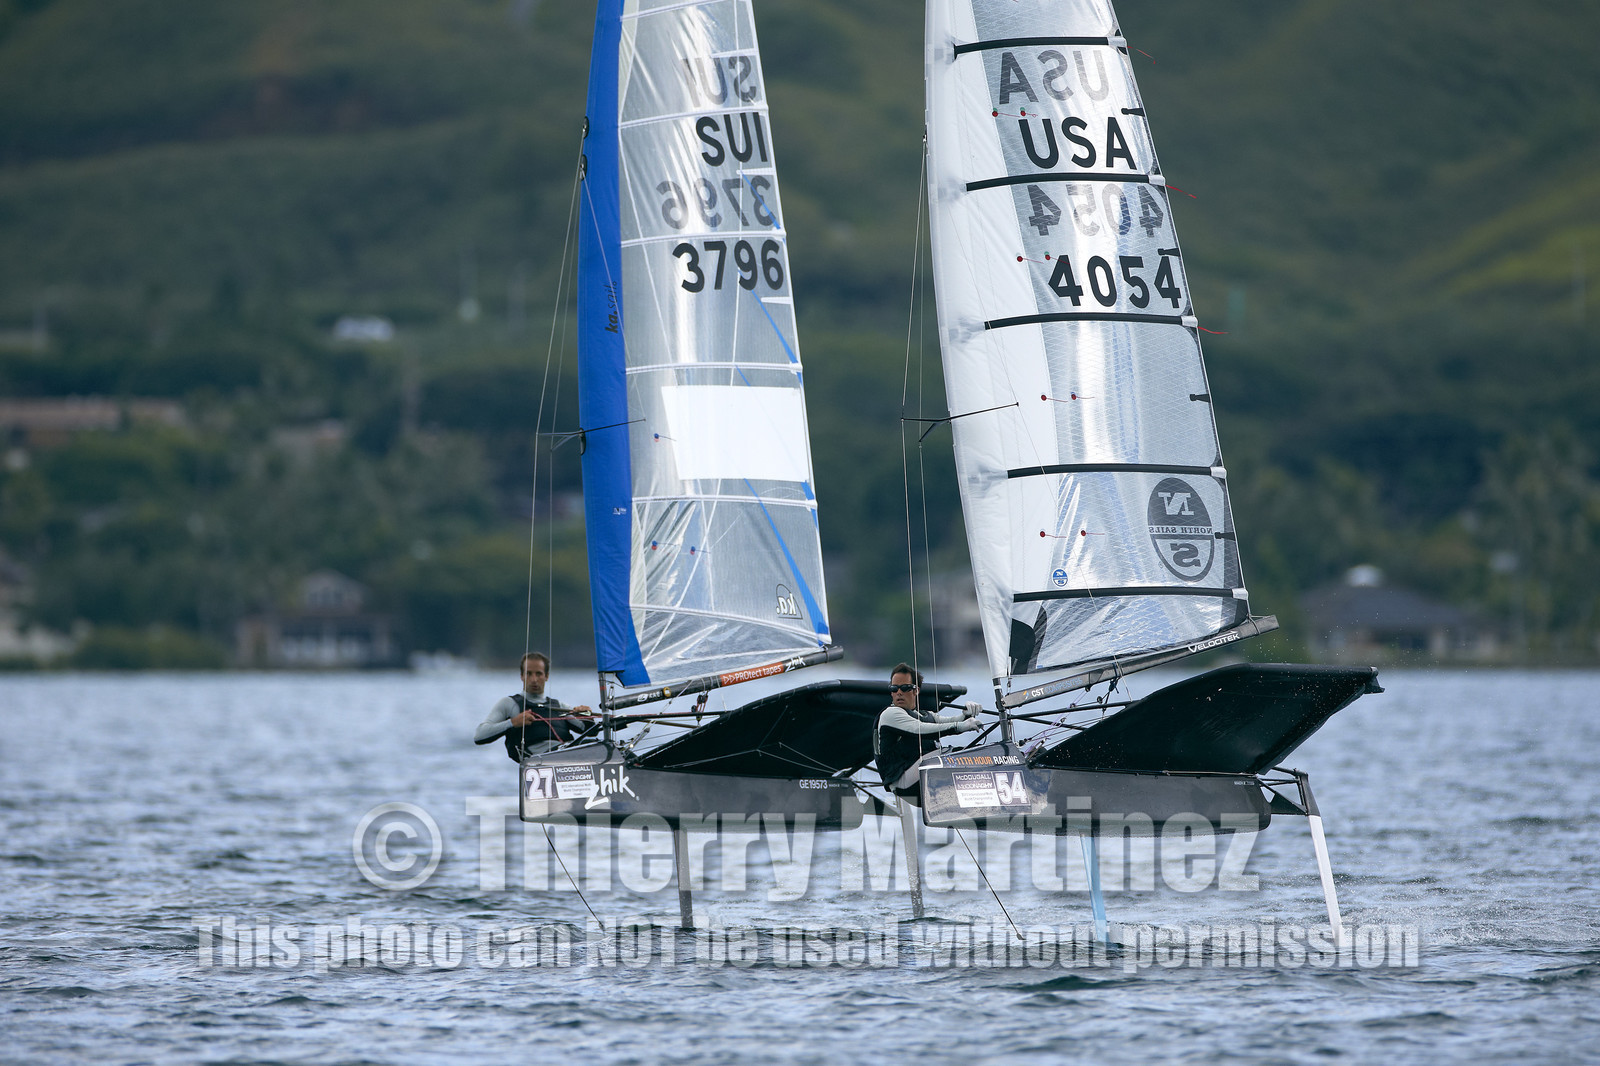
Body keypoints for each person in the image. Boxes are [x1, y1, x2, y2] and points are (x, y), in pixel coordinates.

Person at [874, 662, 982, 797]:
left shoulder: (926, 715)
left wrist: (966, 714)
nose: (899, 692)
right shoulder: (890, 714)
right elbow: (920, 729)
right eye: (894, 688)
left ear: (916, 690)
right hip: (903, 783)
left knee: (975, 752)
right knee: (956, 755)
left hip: (924, 775)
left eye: (905, 688)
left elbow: (950, 721)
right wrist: (960, 727)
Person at [475, 652, 593, 763]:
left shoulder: (560, 706)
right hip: (539, 760)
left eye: (539, 674)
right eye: (529, 673)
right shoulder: (509, 703)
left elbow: (589, 730)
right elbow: (480, 735)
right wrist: (513, 722)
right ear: (522, 676)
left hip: (566, 754)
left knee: (598, 745)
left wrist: (586, 716)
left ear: (546, 676)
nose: (534, 680)